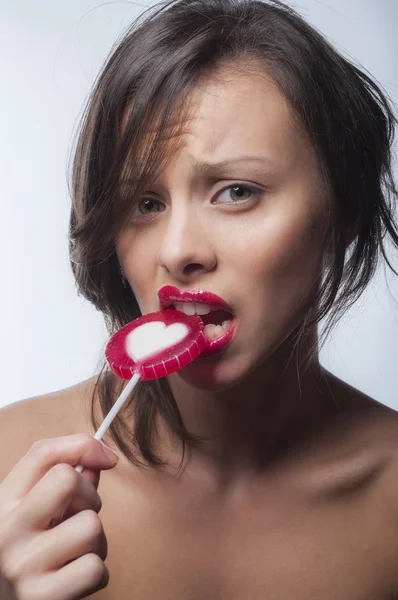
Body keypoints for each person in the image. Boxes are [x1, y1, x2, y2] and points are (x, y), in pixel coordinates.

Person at [1, 0, 398, 598]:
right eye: (145, 204)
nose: (178, 250)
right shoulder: (10, 467)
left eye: (236, 191)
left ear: (342, 210)